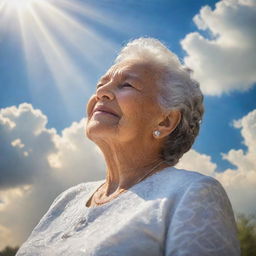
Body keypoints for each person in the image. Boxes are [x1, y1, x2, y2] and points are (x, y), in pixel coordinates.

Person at [16, 38, 240, 256]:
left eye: (127, 84)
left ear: (165, 121)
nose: (101, 93)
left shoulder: (192, 192)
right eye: (100, 84)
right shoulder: (68, 198)